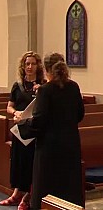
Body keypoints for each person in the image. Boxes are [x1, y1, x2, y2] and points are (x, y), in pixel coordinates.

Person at [15, 52, 84, 209]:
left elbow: (39, 121)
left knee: (47, 188)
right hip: (70, 145)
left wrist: (22, 124)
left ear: (46, 70)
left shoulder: (45, 90)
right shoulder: (73, 87)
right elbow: (80, 115)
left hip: (50, 148)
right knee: (68, 187)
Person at [0, 51, 45, 210]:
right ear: (23, 66)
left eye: (33, 63)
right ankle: (16, 192)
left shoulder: (43, 85)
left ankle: (28, 195)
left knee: (31, 163)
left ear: (38, 66)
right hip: (20, 130)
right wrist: (15, 112)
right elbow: (9, 107)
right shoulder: (17, 86)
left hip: (34, 131)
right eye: (27, 64)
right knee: (19, 162)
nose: (30, 67)